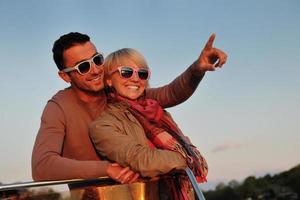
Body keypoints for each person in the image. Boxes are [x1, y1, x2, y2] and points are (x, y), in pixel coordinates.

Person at [31, 32, 227, 183]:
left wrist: (197, 68)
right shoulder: (59, 107)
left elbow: (171, 93)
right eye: (83, 67)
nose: (95, 70)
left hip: (144, 190)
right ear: (65, 76)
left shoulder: (120, 94)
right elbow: (42, 166)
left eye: (97, 60)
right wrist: (106, 169)